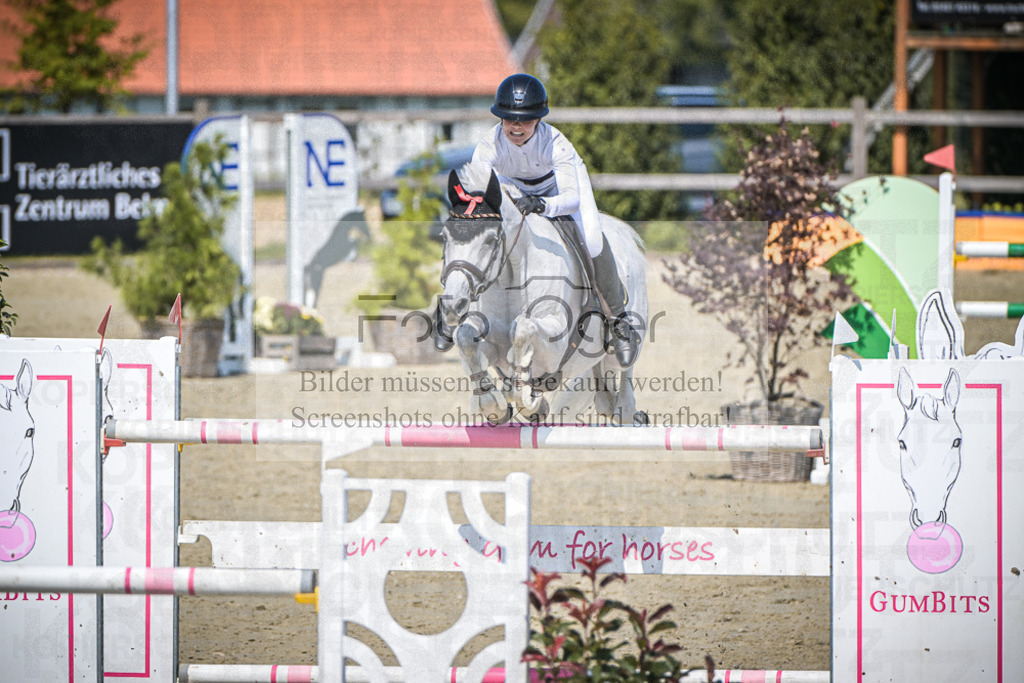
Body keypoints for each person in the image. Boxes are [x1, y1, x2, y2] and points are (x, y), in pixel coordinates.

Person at [434, 73, 639, 368]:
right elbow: (478, 195)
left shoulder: (557, 144)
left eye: (525, 120)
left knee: (592, 238)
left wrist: (543, 204)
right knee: (473, 235)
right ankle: (449, 305)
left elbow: (571, 198)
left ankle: (619, 320)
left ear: (539, 120)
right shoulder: (488, 145)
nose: (516, 126)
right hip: (511, 188)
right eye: (509, 119)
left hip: (559, 190)